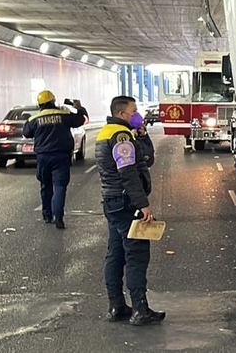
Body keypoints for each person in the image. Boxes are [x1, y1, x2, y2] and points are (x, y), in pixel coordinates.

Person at [97, 95, 165, 326]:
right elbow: (128, 174)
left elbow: (146, 160)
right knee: (136, 254)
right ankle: (140, 310)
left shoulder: (110, 133)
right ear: (122, 113)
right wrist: (143, 204)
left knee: (115, 254)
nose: (138, 115)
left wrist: (143, 136)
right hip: (126, 204)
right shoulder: (121, 136)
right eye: (134, 111)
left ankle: (116, 305)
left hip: (113, 202)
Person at [22, 90, 86, 229]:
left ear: (39, 104)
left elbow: (26, 133)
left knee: (46, 186)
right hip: (61, 156)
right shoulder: (64, 115)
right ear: (53, 101)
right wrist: (79, 108)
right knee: (60, 186)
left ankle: (47, 215)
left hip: (43, 157)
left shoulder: (34, 119)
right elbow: (81, 120)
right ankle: (59, 217)